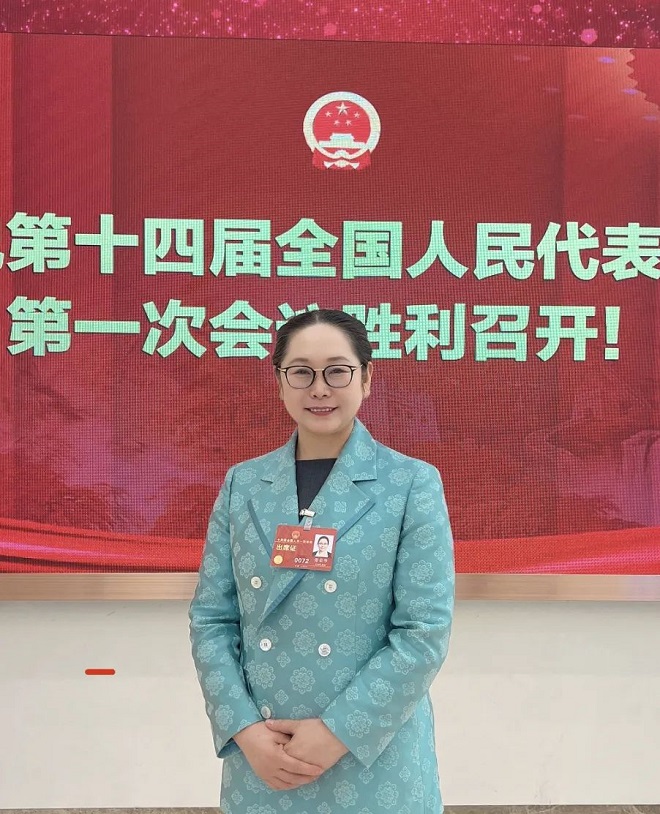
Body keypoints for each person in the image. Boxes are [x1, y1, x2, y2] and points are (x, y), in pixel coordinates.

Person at [189, 308, 455, 814]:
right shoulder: (243, 484)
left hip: (371, 753)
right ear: (279, 382)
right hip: (266, 754)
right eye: (301, 372)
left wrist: (338, 731)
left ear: (366, 379)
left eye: (337, 371)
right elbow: (212, 619)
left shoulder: (410, 483)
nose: (319, 389)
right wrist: (243, 729)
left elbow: (423, 632)